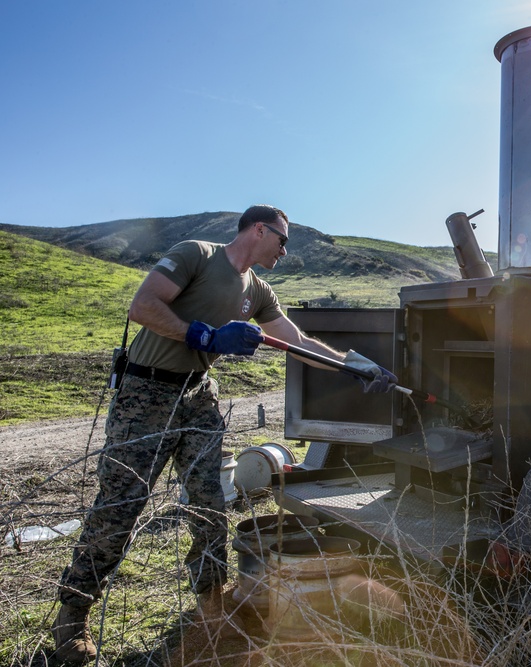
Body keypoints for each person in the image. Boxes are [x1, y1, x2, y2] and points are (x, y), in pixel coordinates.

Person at [51, 204, 397, 664]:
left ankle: (211, 611)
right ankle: (72, 617)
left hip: (198, 398)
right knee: (120, 508)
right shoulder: (196, 254)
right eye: (282, 240)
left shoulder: (259, 291)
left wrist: (354, 366)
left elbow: (298, 343)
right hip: (145, 394)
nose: (285, 250)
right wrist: (206, 337)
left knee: (211, 509)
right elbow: (144, 307)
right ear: (259, 230)